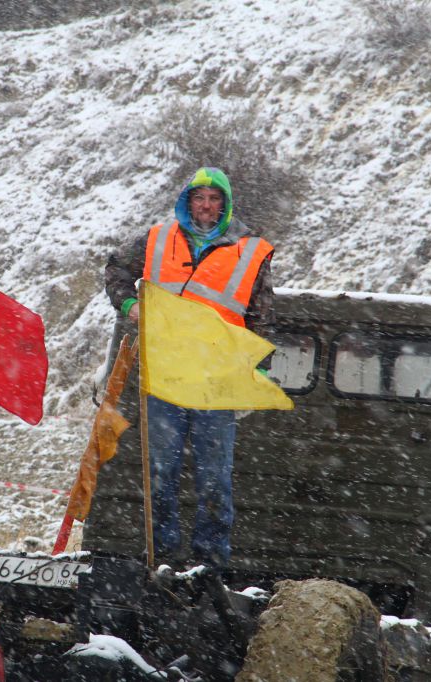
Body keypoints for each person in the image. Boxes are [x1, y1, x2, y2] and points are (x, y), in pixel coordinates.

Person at [104, 166, 275, 568]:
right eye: (200, 198)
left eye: (214, 199)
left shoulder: (250, 250)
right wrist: (128, 303)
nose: (206, 206)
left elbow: (262, 314)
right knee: (160, 472)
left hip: (217, 381)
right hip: (166, 376)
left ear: (225, 205)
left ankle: (209, 563)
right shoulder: (156, 239)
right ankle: (161, 555)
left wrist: (259, 370)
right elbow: (115, 268)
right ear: (188, 201)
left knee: (214, 478)